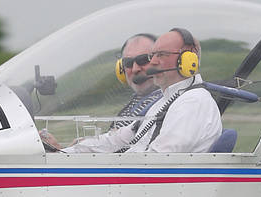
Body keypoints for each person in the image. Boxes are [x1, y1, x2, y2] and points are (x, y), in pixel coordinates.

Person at [66, 27, 222, 154]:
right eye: (152, 55)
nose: (153, 62)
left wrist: (119, 156)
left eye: (161, 55)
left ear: (188, 61)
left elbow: (160, 159)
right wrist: (66, 153)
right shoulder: (165, 100)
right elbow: (118, 139)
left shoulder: (192, 103)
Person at [41, 34, 164, 151]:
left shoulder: (162, 103)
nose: (135, 69)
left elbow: (121, 150)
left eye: (143, 60)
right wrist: (66, 150)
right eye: (128, 63)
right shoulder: (136, 102)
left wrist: (65, 153)